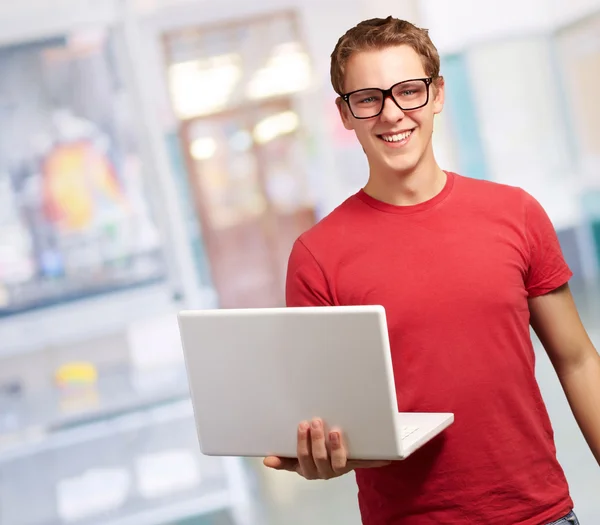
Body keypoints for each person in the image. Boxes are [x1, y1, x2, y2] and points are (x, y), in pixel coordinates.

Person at [262, 16, 600, 525]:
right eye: (369, 98)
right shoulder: (317, 256)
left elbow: (577, 361)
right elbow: (332, 417)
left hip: (541, 515)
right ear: (345, 114)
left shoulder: (516, 214)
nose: (392, 114)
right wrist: (323, 456)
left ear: (438, 94)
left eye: (409, 91)